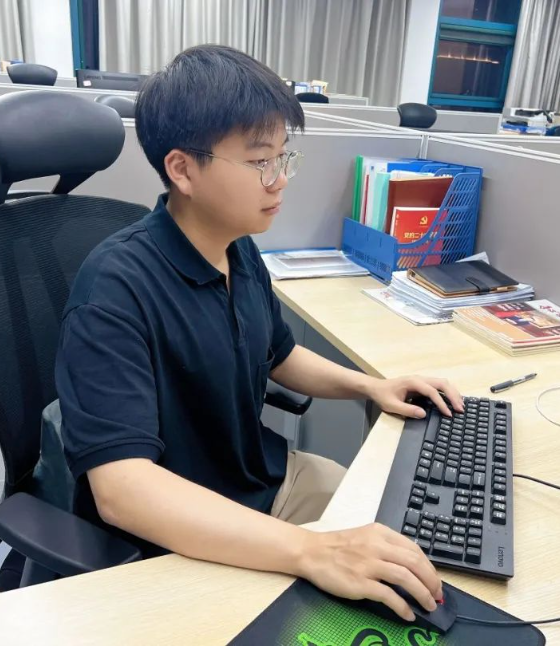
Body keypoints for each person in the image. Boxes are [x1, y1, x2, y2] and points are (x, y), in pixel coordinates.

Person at [55, 44, 464, 621]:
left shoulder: (237, 248)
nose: (280, 180)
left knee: (411, 542)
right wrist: (311, 551)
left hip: (261, 481)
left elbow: (280, 354)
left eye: (283, 157)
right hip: (182, 532)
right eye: (259, 162)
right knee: (370, 599)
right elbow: (123, 492)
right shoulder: (114, 290)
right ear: (182, 169)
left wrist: (371, 386)